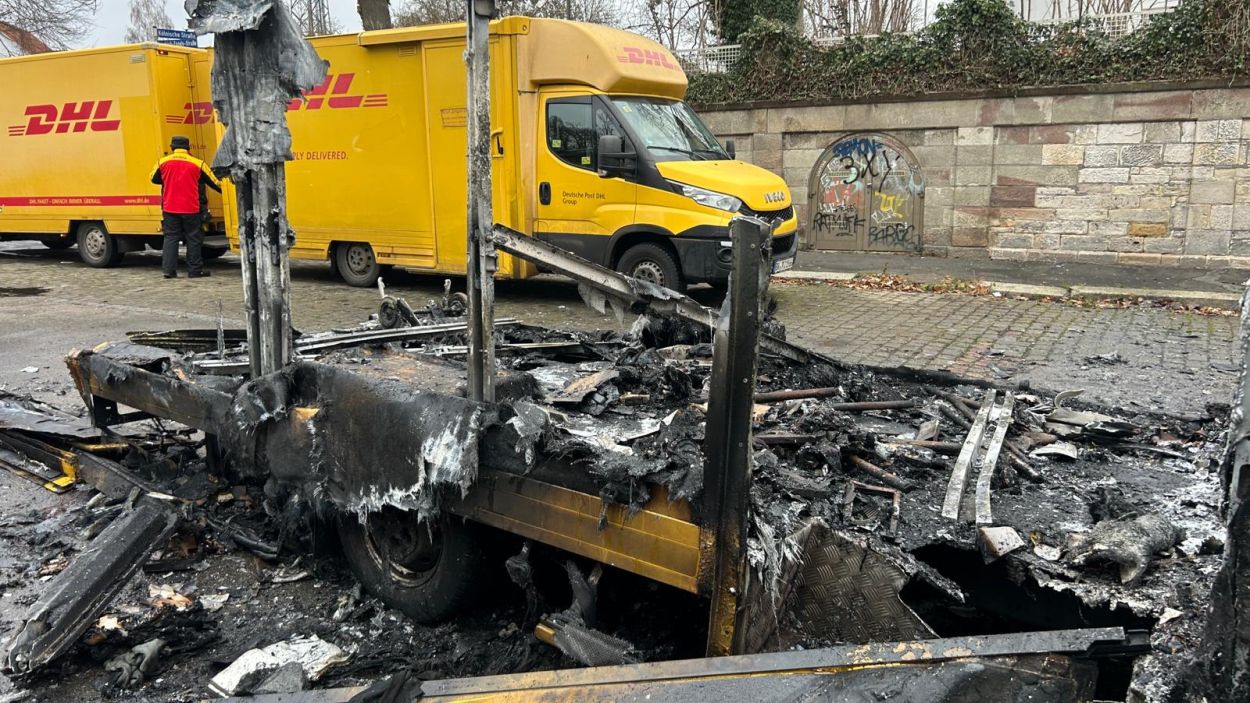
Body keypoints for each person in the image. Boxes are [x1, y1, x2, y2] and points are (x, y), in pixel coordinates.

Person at [149, 136, 222, 279]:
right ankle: (195, 271)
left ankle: (168, 271)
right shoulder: (198, 163)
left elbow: (153, 178)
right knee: (193, 239)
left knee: (171, 238)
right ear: (188, 148)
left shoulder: (162, 162)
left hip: (170, 207)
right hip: (191, 208)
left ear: (172, 147)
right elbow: (216, 183)